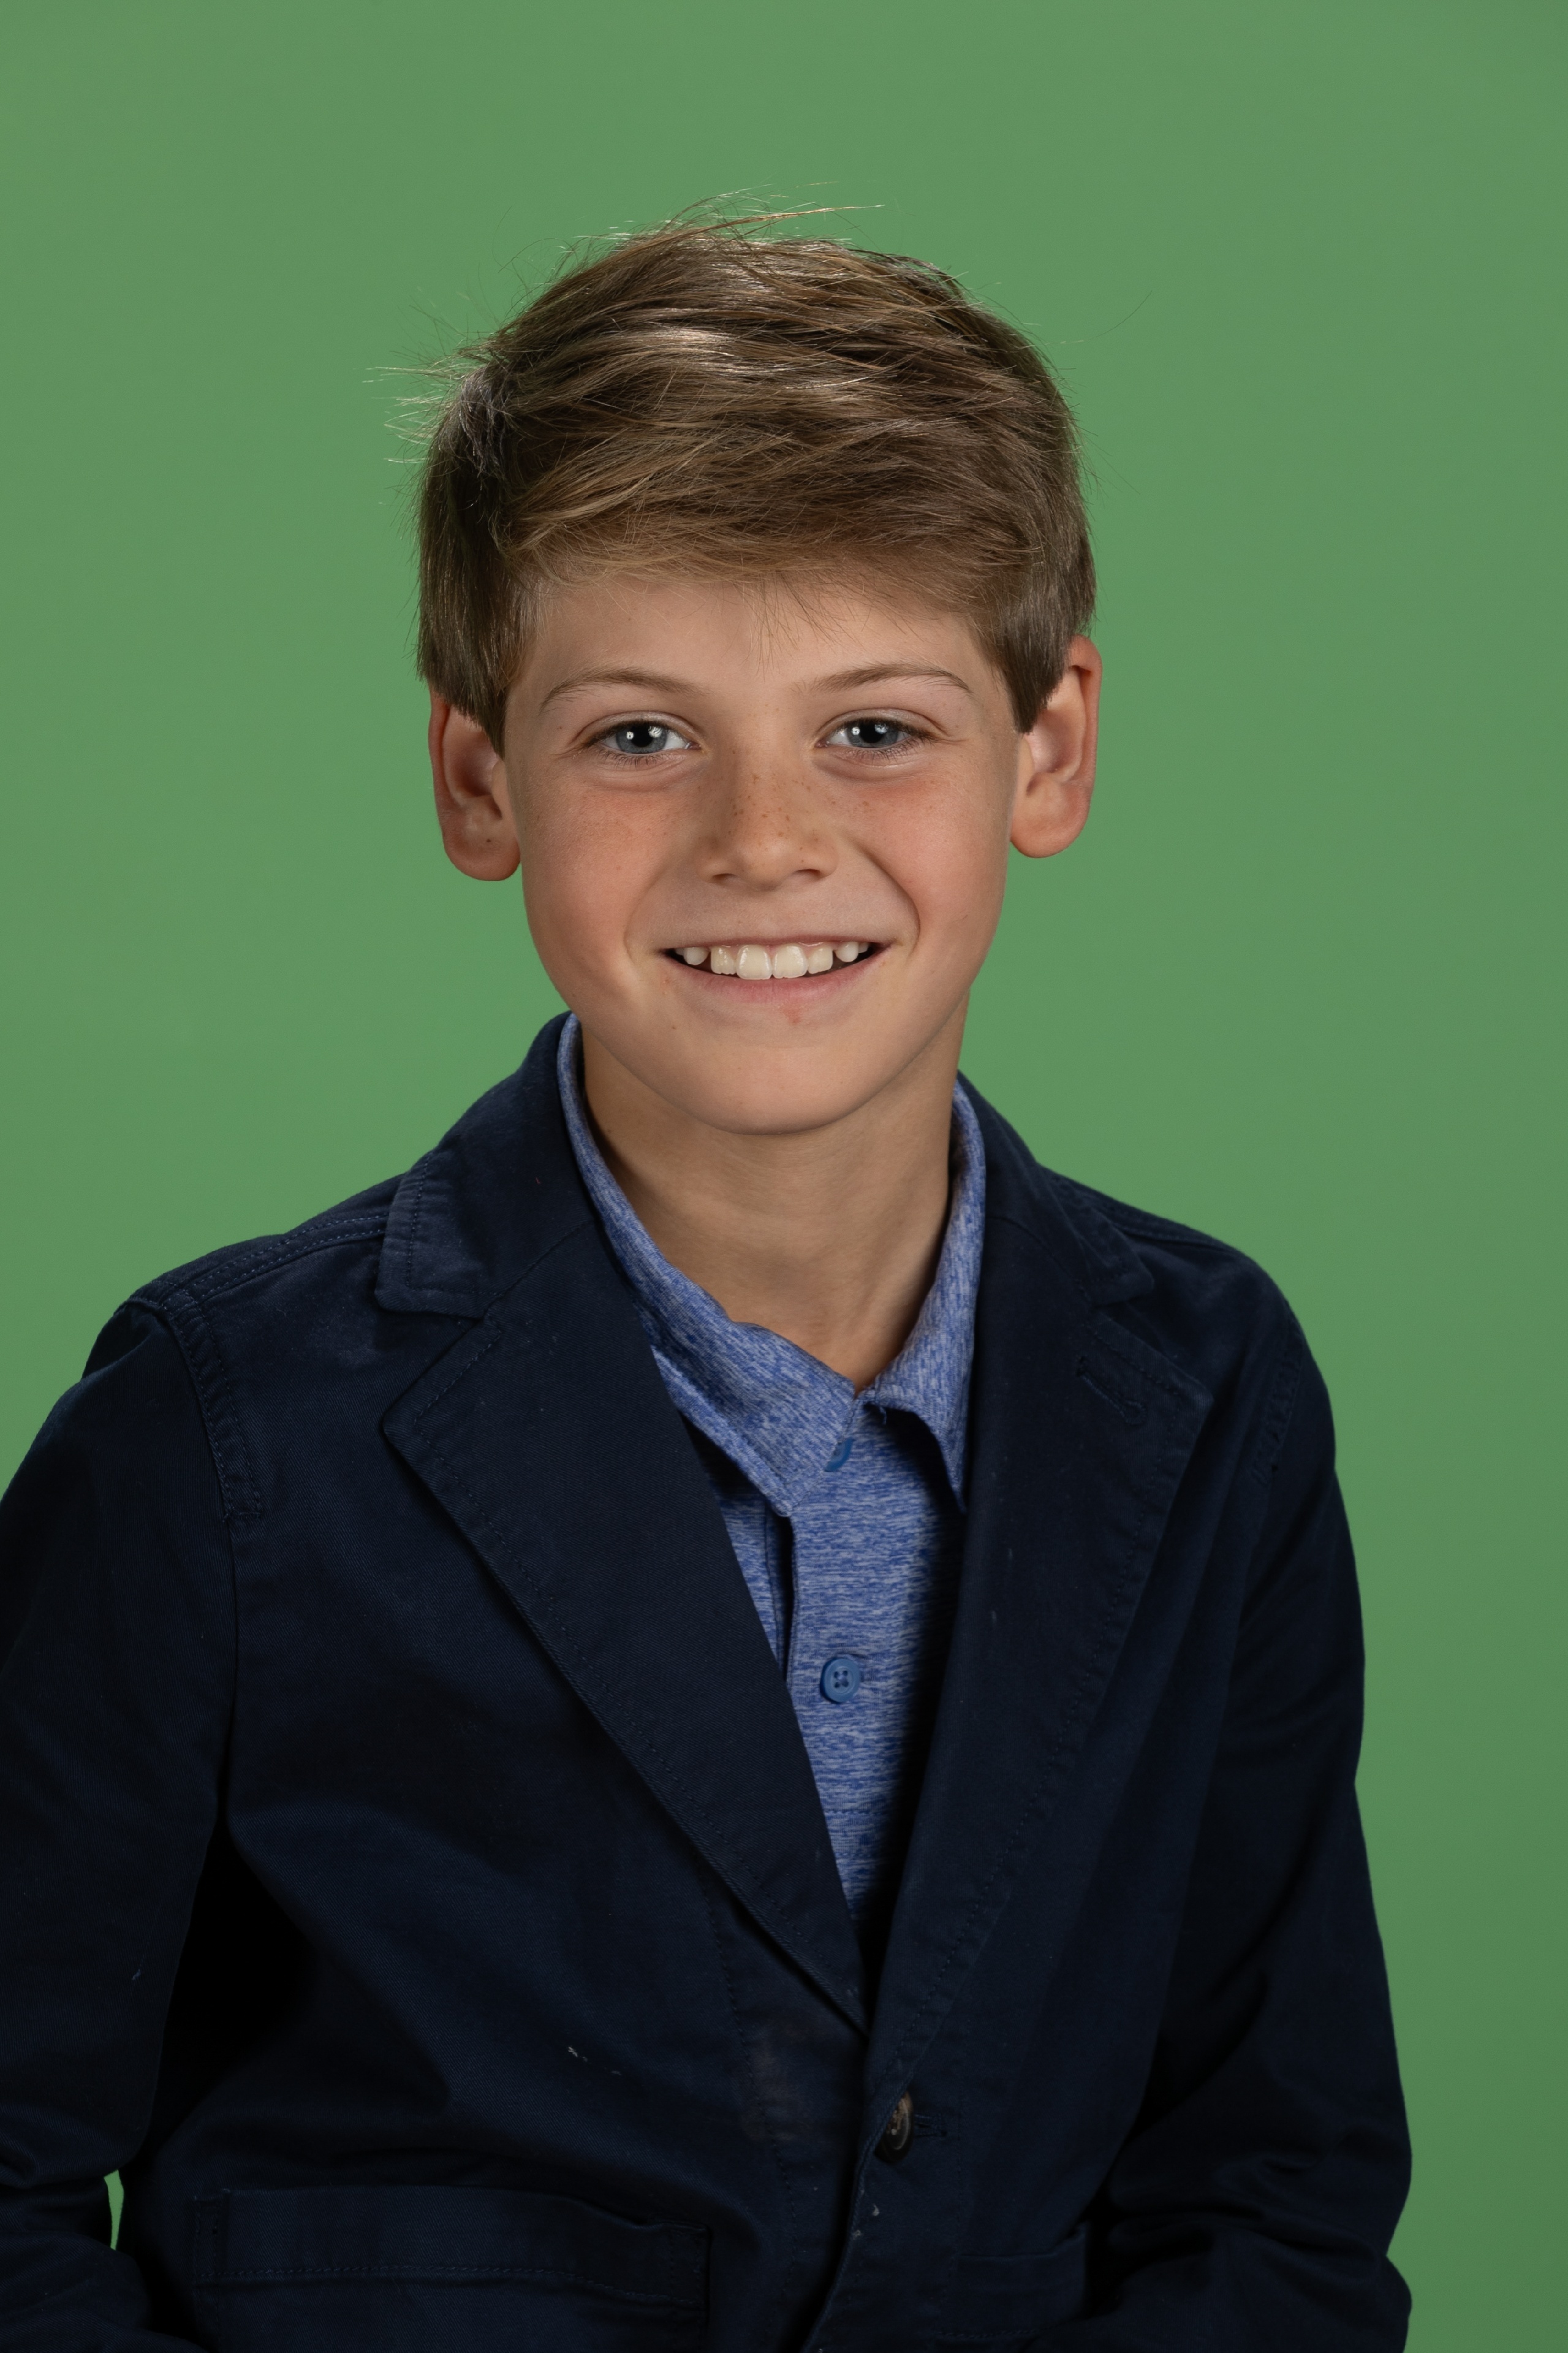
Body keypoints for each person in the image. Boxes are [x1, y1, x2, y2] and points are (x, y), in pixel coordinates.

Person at [0, 221, 1410, 2351]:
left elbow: (1274, 2191)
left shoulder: (1209, 1393)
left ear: (1049, 751)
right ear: (480, 776)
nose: (765, 839)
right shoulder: (214, 1432)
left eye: (877, 728)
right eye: (644, 735)